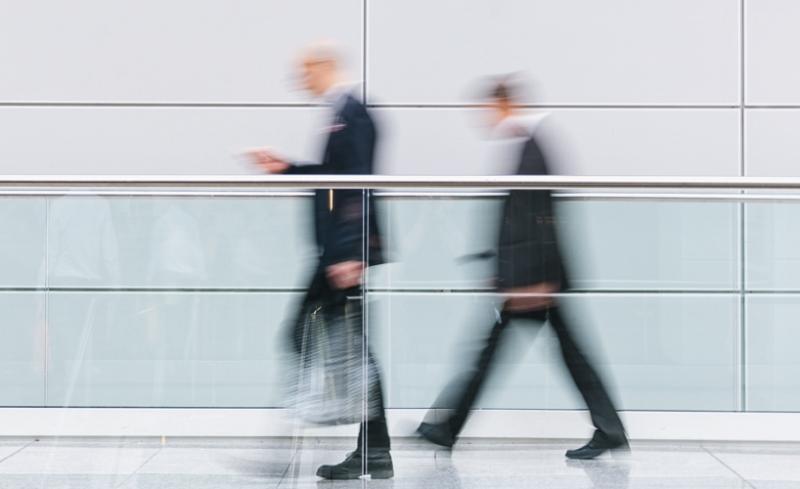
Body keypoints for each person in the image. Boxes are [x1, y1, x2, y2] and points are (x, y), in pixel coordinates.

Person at [416, 79, 629, 460]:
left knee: (497, 353)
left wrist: (532, 279)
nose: (484, 119)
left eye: (487, 110)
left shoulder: (533, 146)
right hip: (530, 276)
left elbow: (538, 216)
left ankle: (446, 427)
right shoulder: (526, 144)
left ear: (505, 103)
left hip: (534, 280)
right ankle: (609, 428)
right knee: (553, 353)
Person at [248, 42, 392, 480]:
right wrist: (288, 169)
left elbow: (359, 184)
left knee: (308, 337)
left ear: (324, 67)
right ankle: (373, 449)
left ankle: (308, 426)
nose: (300, 80)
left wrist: (351, 253)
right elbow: (337, 176)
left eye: (304, 71)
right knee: (346, 346)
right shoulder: (342, 111)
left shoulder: (354, 112)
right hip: (337, 252)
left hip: (341, 253)